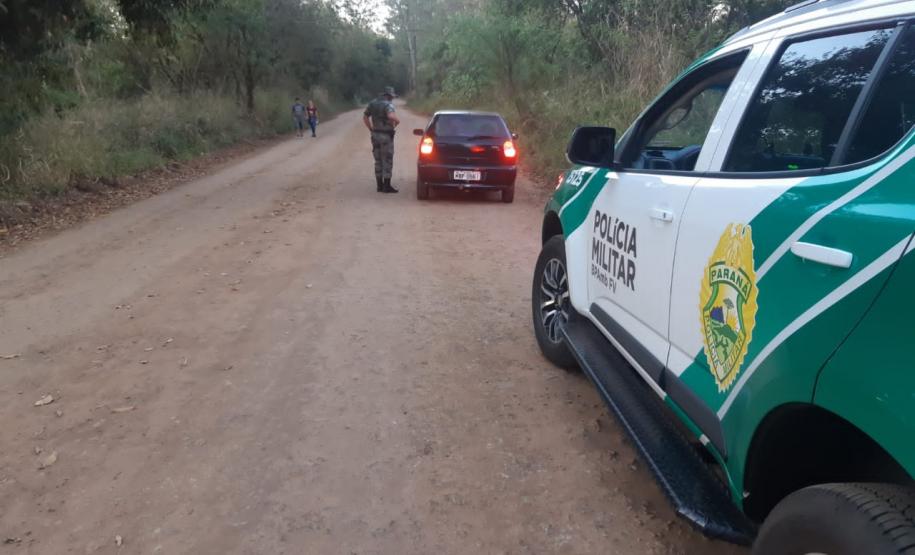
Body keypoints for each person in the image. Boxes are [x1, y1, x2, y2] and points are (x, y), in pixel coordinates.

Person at [363, 86, 400, 193]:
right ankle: (387, 186)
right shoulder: (388, 105)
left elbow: (365, 117)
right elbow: (391, 116)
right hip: (385, 135)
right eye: (391, 97)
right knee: (387, 159)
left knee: (378, 160)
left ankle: (379, 186)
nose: (392, 99)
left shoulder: (372, 103)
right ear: (388, 96)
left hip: (375, 135)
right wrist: (397, 122)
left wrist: (370, 128)